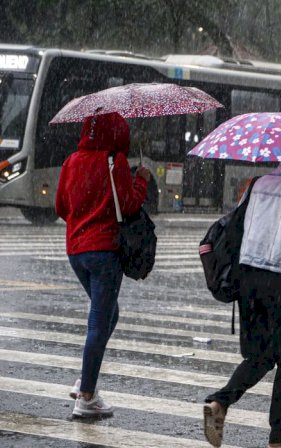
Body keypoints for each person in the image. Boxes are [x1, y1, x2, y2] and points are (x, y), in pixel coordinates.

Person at [203, 162, 281, 448]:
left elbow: (241, 226)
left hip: (248, 277)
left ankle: (220, 402)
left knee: (259, 355)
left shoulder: (259, 183)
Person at [55, 112, 149, 417]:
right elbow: (130, 204)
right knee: (98, 322)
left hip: (75, 251)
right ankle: (86, 396)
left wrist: (82, 220)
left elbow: (60, 207)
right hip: (104, 251)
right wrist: (142, 181)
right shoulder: (114, 160)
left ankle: (86, 376)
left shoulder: (71, 161)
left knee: (110, 313)